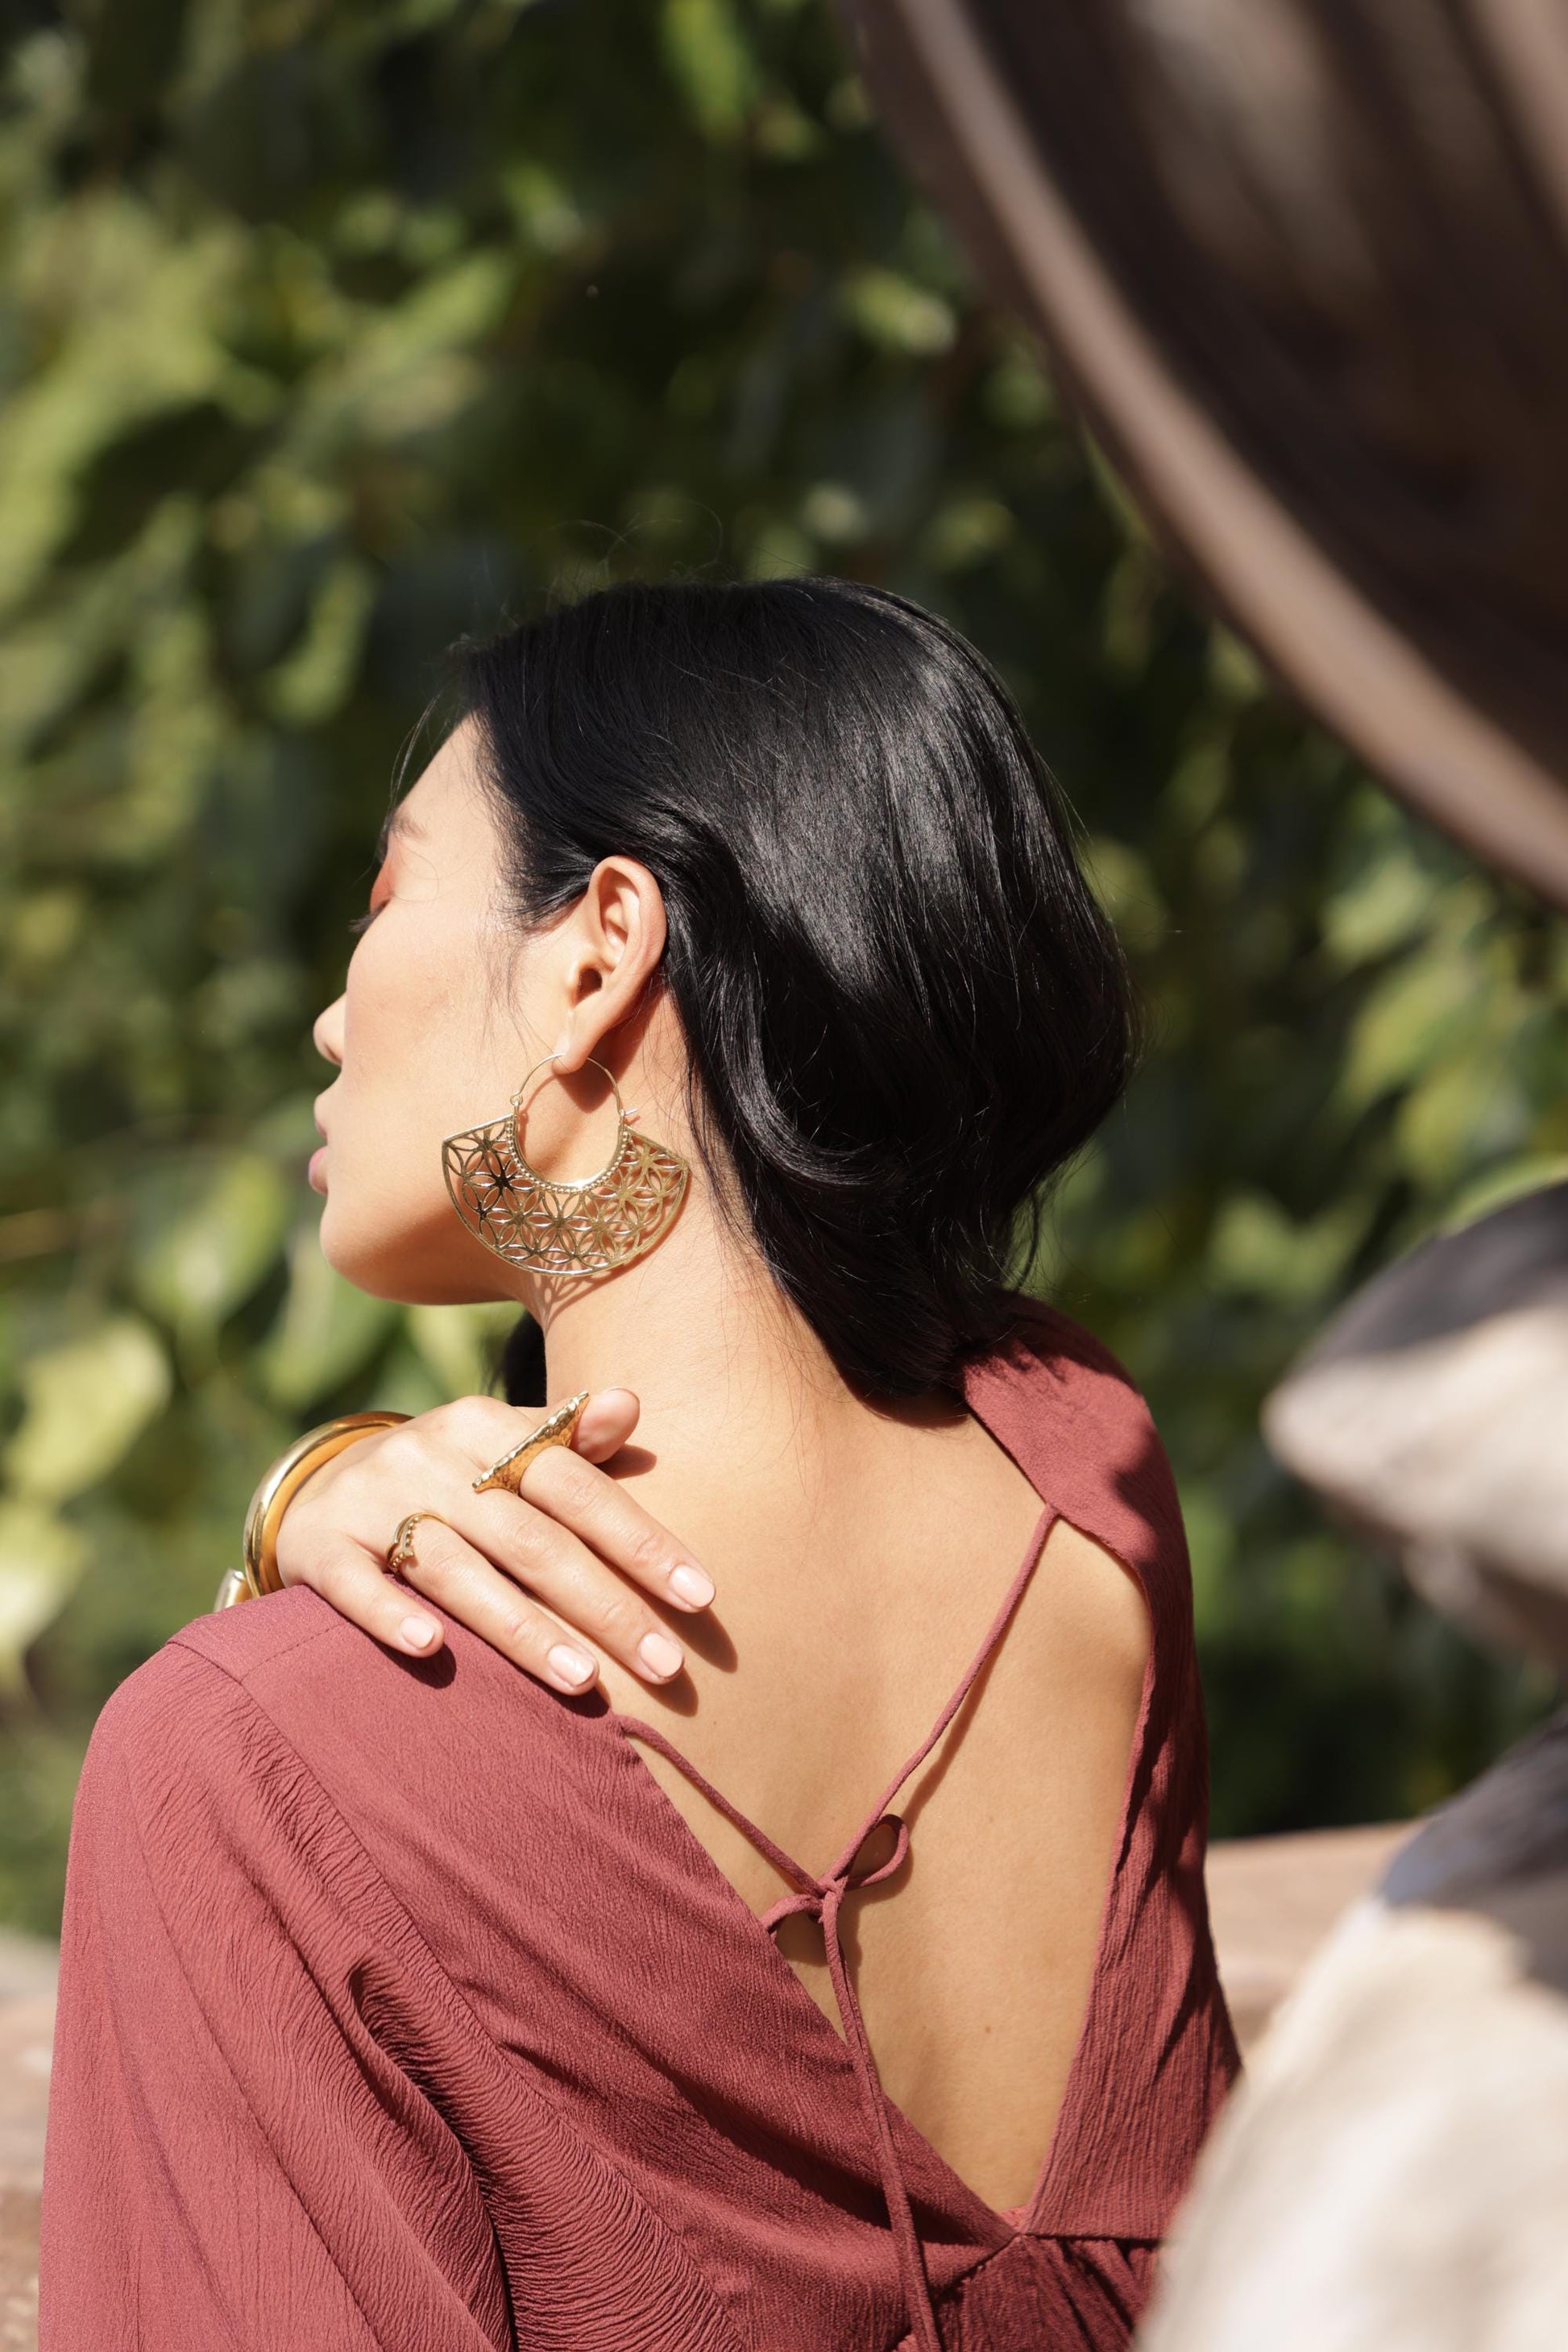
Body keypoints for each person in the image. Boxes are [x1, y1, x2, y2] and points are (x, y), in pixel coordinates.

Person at [39, 578, 1238, 2350]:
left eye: (383, 898)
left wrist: (266, 1654)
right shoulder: (1084, 1472)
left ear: (601, 949)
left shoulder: (239, 1772)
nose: (326, 1017)